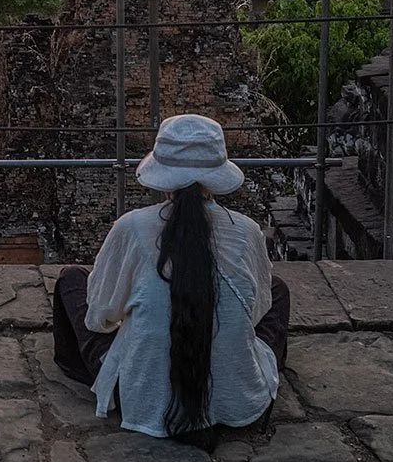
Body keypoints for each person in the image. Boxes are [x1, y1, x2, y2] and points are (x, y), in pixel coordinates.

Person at [51, 113, 289, 444]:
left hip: (145, 398)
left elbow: (99, 318)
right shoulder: (247, 231)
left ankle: (79, 369)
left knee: (71, 280)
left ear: (163, 176)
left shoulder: (132, 227)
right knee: (278, 291)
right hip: (234, 396)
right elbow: (255, 313)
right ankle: (228, 380)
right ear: (215, 176)